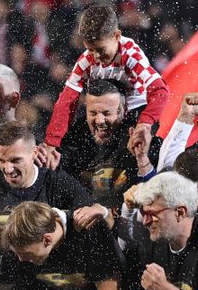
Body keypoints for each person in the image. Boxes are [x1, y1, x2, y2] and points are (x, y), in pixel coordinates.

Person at [0, 120, 100, 274]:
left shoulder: (57, 183)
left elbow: (97, 217)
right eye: (2, 160)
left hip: (45, 277)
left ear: (34, 153)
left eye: (15, 160)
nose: (7, 169)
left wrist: (100, 212)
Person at [44, 4, 170, 155]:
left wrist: (145, 123)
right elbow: (66, 101)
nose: (96, 57)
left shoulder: (131, 55)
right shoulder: (86, 60)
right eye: (90, 49)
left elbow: (161, 90)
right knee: (70, 146)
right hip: (102, 115)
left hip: (133, 116)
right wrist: (52, 142)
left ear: (117, 36)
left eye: (101, 50)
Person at [59, 79, 154, 211]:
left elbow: (155, 194)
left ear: (122, 112)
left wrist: (142, 160)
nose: (99, 121)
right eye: (93, 113)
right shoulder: (73, 141)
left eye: (106, 113)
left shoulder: (140, 140)